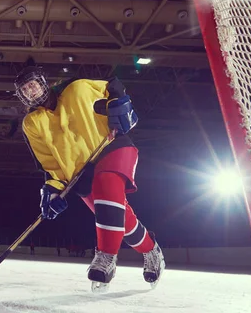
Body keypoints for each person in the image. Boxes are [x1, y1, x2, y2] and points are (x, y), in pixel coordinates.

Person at [14, 66, 165, 292]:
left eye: (33, 84)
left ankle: (106, 258)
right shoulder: (32, 124)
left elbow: (112, 86)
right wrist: (52, 191)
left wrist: (119, 103)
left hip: (112, 147)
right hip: (82, 175)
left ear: (43, 81)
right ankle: (152, 251)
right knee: (119, 220)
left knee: (107, 192)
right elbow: (51, 165)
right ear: (22, 96)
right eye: (26, 90)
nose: (32, 91)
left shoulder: (77, 89)